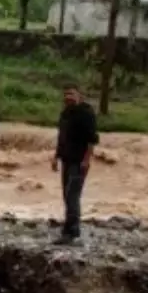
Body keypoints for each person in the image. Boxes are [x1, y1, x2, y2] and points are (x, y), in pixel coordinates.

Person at [52, 83, 99, 245]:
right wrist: (56, 156)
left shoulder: (86, 114)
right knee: (66, 195)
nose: (68, 97)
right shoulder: (65, 113)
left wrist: (87, 160)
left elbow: (92, 140)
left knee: (73, 195)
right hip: (66, 159)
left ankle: (73, 232)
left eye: (71, 94)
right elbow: (61, 137)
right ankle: (68, 229)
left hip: (79, 161)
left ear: (80, 96)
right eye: (65, 94)